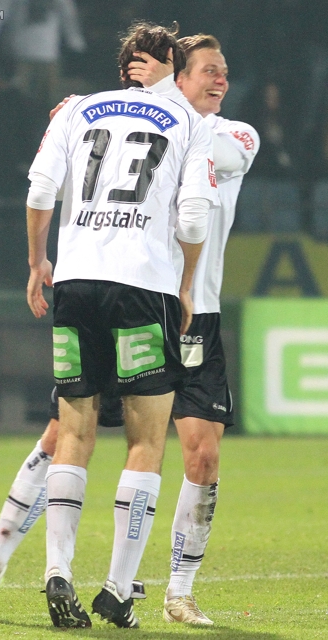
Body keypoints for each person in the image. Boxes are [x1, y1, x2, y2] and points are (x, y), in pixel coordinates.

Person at [0, 21, 219, 629]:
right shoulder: (189, 123)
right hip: (143, 287)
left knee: (71, 433)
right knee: (145, 441)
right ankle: (117, 589)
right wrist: (186, 281)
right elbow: (193, 221)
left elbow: (41, 188)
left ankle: (54, 570)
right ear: (165, 65)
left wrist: (39, 261)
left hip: (77, 283)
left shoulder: (74, 108)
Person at [125, 33, 260, 625]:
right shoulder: (151, 130)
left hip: (197, 316)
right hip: (142, 306)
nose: (221, 79)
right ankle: (110, 578)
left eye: (224, 70)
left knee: (202, 456)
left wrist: (155, 89)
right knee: (80, 441)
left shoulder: (236, 135)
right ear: (181, 77)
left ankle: (180, 591)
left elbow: (202, 143)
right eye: (208, 69)